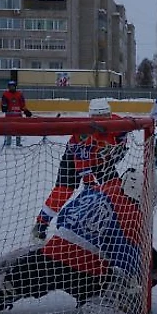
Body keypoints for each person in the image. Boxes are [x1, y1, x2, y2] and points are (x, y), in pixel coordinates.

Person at [0, 167, 157, 314]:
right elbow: (127, 260)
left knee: (16, 269)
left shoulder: (100, 190)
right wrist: (144, 275)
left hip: (52, 254)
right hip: (85, 273)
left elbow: (64, 217)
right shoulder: (132, 215)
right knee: (125, 312)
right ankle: (95, 309)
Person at [31, 98, 127, 241]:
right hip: (73, 157)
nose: (101, 121)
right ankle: (41, 224)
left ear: (110, 114)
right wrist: (88, 181)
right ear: (90, 117)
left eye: (104, 117)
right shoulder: (83, 131)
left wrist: (120, 146)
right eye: (97, 118)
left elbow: (123, 135)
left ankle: (120, 225)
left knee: (115, 188)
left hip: (100, 159)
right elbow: (80, 159)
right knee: (63, 190)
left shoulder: (118, 123)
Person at [1, 80, 32, 147]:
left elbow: (22, 104)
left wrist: (26, 111)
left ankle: (18, 143)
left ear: (15, 87)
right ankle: (8, 143)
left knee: (18, 129)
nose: (11, 88)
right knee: (8, 129)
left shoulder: (19, 94)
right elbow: (3, 104)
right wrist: (3, 107)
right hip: (9, 115)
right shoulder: (5, 94)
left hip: (18, 115)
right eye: (10, 86)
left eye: (13, 86)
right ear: (8, 87)